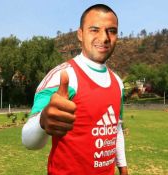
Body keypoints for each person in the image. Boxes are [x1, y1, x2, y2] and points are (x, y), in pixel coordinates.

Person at [22, 4, 128, 175]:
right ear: (80, 34)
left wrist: (122, 166)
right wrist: (43, 121)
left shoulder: (117, 82)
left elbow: (115, 128)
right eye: (94, 29)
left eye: (112, 30)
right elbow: (28, 141)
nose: (104, 37)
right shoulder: (63, 75)